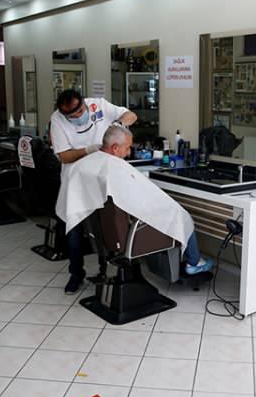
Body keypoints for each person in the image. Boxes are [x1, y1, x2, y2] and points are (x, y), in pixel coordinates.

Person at [58, 124, 214, 276]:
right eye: (127, 148)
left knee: (175, 213)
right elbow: (141, 199)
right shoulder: (114, 168)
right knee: (182, 216)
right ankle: (194, 263)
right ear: (115, 148)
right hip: (128, 235)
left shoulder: (83, 165)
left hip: (103, 233)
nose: (129, 153)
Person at [50, 89, 138, 294]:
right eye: (71, 116)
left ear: (84, 103)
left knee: (104, 226)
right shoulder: (57, 120)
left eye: (80, 111)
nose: (78, 117)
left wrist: (120, 124)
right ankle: (76, 274)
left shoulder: (99, 105)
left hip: (102, 178)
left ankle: (104, 268)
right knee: (75, 229)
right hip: (76, 183)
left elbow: (131, 115)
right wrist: (89, 149)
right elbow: (64, 156)